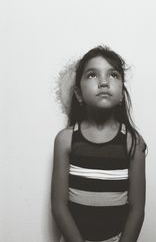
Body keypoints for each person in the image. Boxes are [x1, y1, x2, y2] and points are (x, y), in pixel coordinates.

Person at [51, 45, 148, 242]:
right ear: (78, 94)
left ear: (121, 94)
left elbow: (137, 210)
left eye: (113, 75)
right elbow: (59, 207)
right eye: (92, 75)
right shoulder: (65, 140)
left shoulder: (132, 142)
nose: (104, 82)